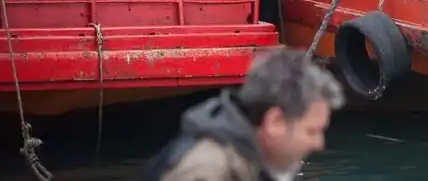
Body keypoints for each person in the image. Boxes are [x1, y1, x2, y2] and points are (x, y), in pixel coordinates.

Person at [142, 47, 344, 181]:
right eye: (311, 131)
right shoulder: (207, 172)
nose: (319, 144)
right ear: (275, 122)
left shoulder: (263, 161)